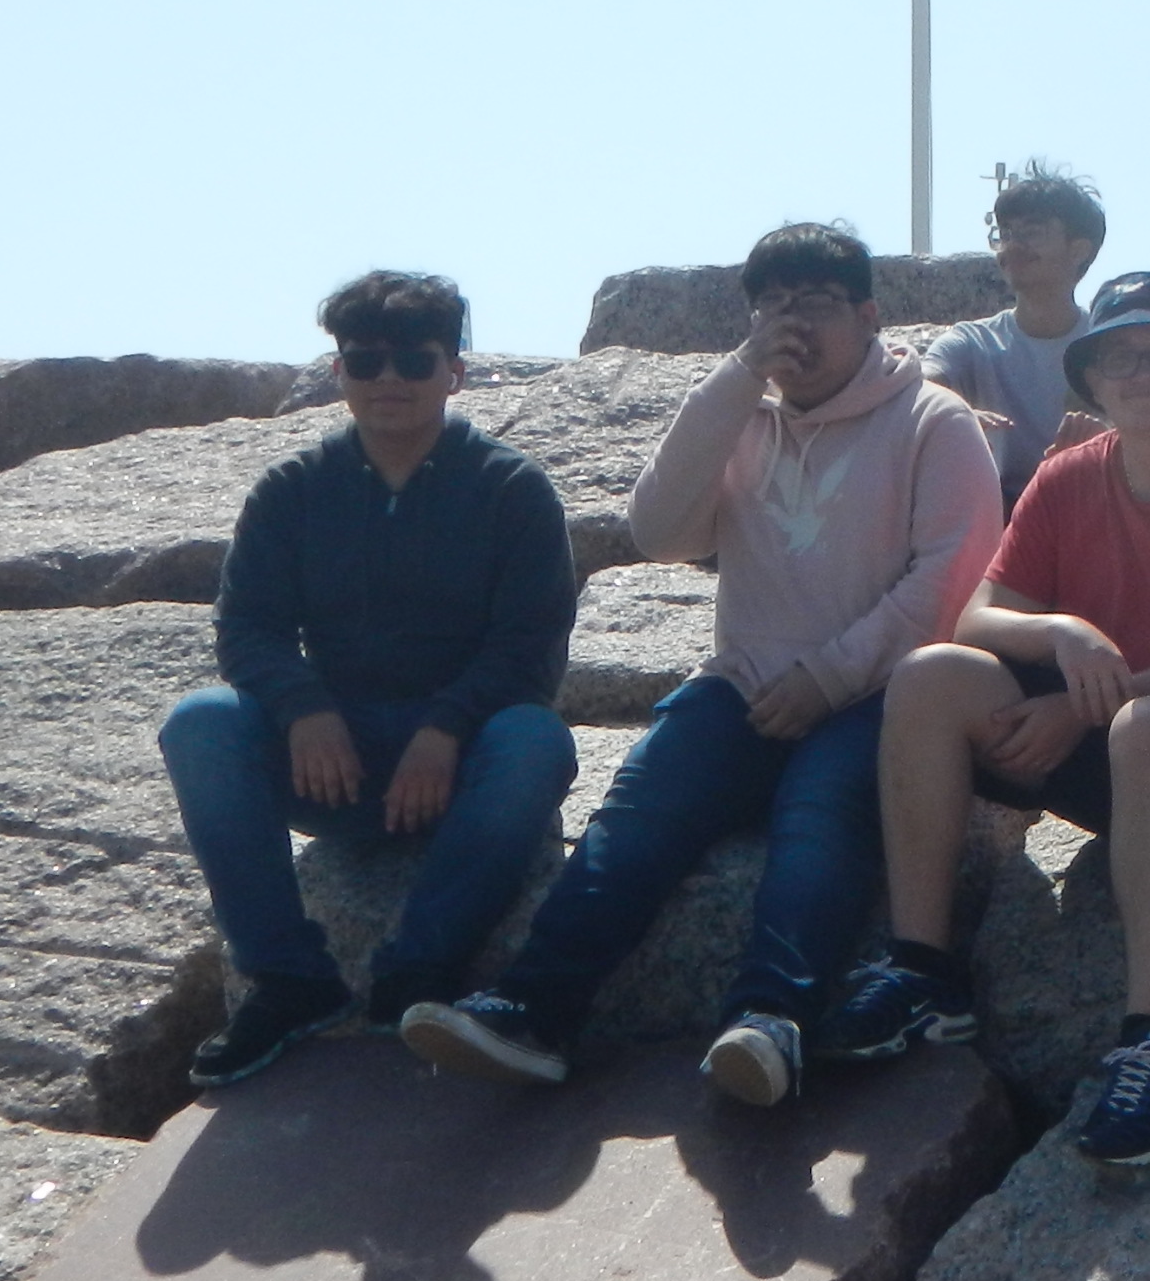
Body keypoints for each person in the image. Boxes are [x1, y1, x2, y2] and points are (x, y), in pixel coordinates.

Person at [397, 223, 999, 1108]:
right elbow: (661, 532)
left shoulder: (934, 422)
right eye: (772, 305)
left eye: (817, 304)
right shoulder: (741, 415)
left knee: (817, 822)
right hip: (744, 684)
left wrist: (829, 679)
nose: (793, 324)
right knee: (637, 816)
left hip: (873, 697)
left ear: (868, 316)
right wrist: (733, 378)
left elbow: (947, 580)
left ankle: (769, 1022)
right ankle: (533, 1008)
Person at [821, 269, 1150, 1170]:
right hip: (1118, 739)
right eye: (1119, 357)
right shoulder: (1069, 478)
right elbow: (979, 619)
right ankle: (922, 968)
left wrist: (1083, 705)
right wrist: (1060, 630)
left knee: (1148, 728)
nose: (1144, 372)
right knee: (930, 677)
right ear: (1092, 381)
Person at [161, 270, 579, 1086]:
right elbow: (246, 629)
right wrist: (304, 708)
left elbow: (532, 648)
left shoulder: (511, 490)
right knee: (201, 722)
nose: (389, 380)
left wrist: (446, 728)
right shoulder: (293, 491)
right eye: (366, 360)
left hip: (463, 768)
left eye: (415, 362)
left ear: (455, 372)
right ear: (339, 372)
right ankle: (289, 982)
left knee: (535, 739)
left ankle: (416, 977)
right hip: (338, 759)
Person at [928, 162, 1104, 505]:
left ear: (1079, 249)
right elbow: (917, 389)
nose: (1012, 247)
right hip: (991, 516)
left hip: (1089, 509)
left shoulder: (1110, 346)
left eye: (1032, 232)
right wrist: (953, 415)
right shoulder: (971, 342)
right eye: (1006, 233)